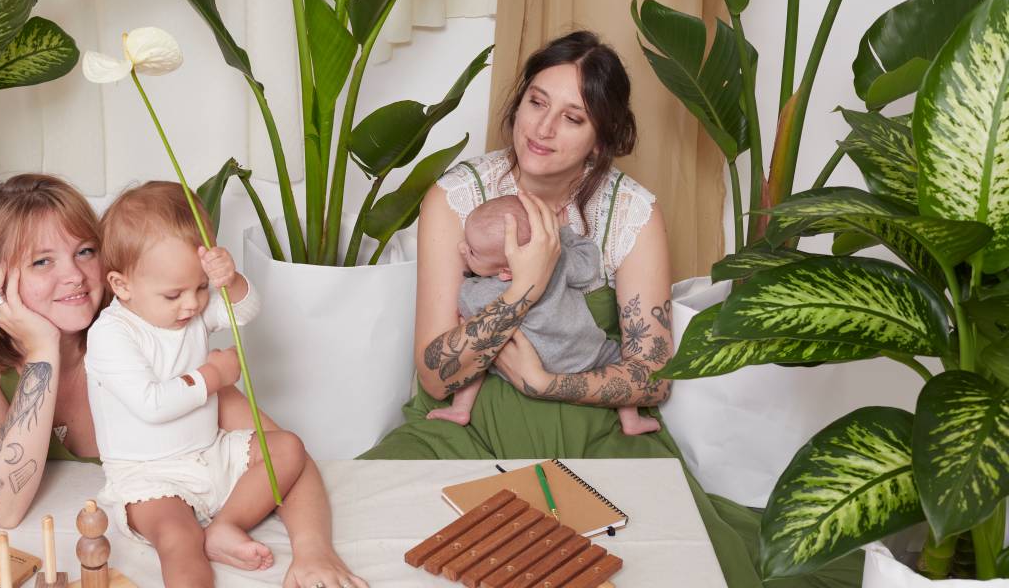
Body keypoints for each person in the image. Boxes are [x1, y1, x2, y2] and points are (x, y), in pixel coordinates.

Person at [360, 31, 863, 588]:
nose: (543, 128)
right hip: (469, 421)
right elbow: (434, 376)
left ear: (602, 138)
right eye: (537, 102)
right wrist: (521, 290)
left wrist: (544, 384)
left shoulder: (630, 213)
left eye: (573, 118)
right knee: (373, 529)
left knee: (671, 562)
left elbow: (652, 377)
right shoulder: (457, 198)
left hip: (594, 428)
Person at [0, 174, 367, 588]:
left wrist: (314, 549)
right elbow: (4, 506)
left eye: (84, 251)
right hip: (27, 498)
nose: (74, 276)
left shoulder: (143, 327)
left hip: (141, 499)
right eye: (42, 261)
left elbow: (279, 456)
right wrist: (42, 353)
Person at [88, 181, 306, 586]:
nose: (191, 304)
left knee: (288, 448)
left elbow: (245, 311)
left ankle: (225, 526)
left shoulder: (191, 310)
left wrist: (231, 279)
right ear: (122, 286)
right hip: (151, 478)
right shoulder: (112, 334)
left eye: (200, 288)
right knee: (178, 536)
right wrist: (214, 376)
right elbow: (152, 403)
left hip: (210, 455)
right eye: (173, 294)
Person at [426, 194, 659, 436]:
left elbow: (469, 321)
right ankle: (631, 419)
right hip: (584, 353)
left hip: (520, 362)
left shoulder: (477, 292)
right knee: (620, 358)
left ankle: (460, 408)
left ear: (506, 272)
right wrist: (564, 233)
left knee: (476, 361)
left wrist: (467, 318)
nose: (461, 248)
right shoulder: (558, 260)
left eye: (472, 252)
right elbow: (588, 267)